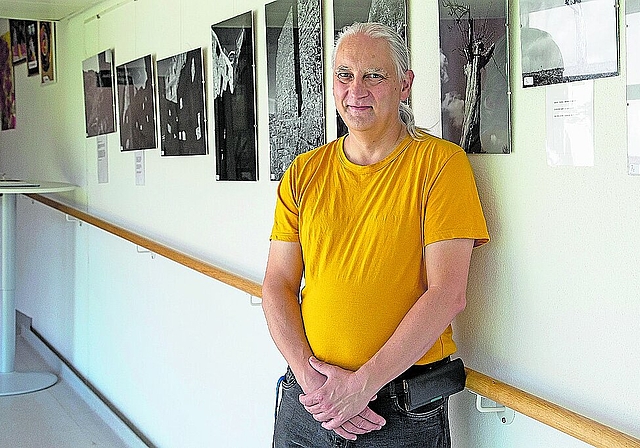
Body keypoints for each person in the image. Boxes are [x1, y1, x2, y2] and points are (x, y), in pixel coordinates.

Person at [262, 22, 489, 448]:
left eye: (374, 75)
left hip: (398, 411)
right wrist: (314, 383)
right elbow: (278, 284)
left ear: (405, 84)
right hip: (308, 400)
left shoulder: (440, 165)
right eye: (344, 75)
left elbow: (448, 293)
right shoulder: (304, 172)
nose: (356, 90)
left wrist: (361, 385)